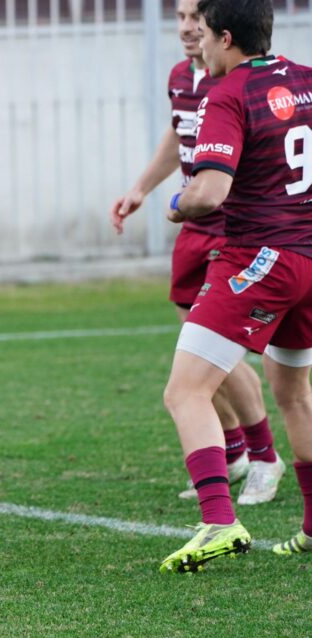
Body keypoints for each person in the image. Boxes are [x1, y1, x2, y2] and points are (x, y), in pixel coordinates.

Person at [159, 0, 312, 571]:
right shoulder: (305, 79)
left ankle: (219, 521)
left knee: (185, 391)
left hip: (260, 257)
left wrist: (178, 204)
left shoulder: (228, 92)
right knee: (294, 393)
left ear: (226, 38)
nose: (195, 40)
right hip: (307, 258)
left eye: (202, 31)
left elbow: (209, 193)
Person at [111, 0, 283, 505]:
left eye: (195, 19)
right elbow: (179, 133)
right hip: (193, 227)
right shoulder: (182, 77)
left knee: (211, 352)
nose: (187, 28)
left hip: (234, 228)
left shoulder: (238, 80)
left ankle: (264, 457)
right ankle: (232, 451)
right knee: (196, 340)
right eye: (180, 17)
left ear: (221, 29)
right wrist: (142, 187)